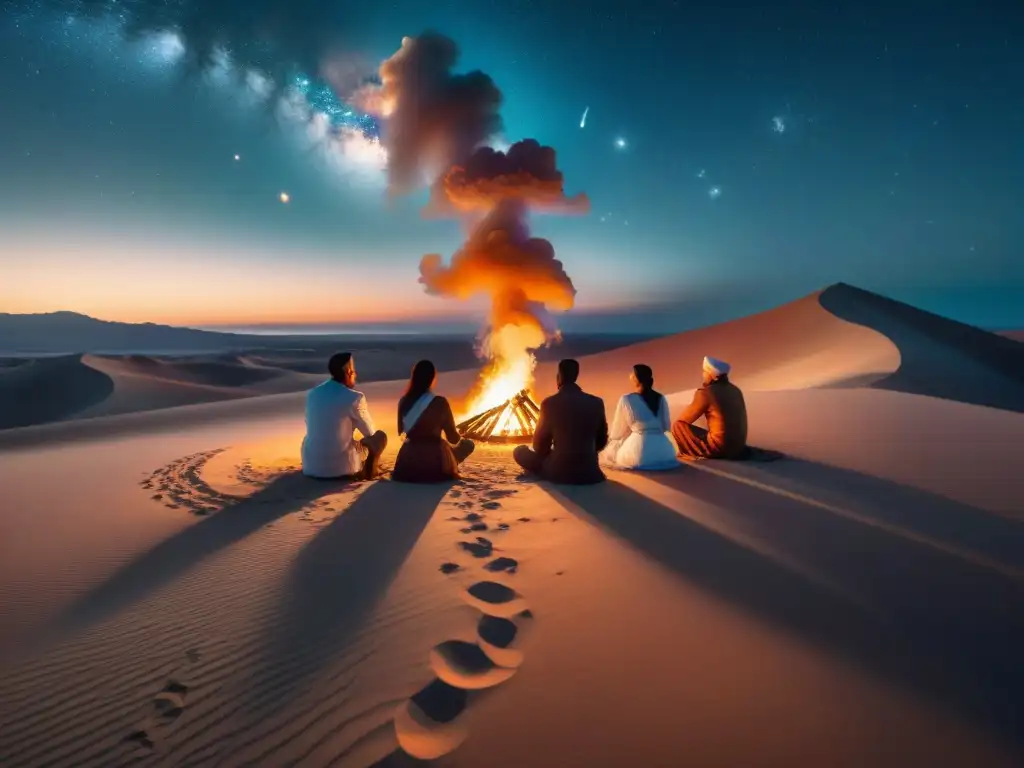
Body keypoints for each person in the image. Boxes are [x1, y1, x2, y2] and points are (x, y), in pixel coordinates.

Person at [513, 359, 608, 484]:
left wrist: (557, 452)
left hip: (558, 473)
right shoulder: (597, 402)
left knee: (520, 451)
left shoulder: (549, 403)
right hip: (591, 473)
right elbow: (601, 441)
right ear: (576, 376)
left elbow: (539, 446)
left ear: (559, 376)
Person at [301, 352, 388, 480]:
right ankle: (371, 469)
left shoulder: (312, 394)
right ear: (348, 372)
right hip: (341, 468)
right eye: (353, 370)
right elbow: (370, 433)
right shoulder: (355, 397)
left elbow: (309, 424)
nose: (355, 374)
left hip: (311, 467)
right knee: (380, 437)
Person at [391, 360, 476, 483]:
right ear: (432, 379)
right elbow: (453, 438)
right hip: (435, 463)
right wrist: (461, 435)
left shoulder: (403, 401)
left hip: (407, 462)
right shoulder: (440, 402)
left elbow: (401, 431)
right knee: (468, 444)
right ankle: (453, 464)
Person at [599, 364, 679, 471]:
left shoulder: (626, 399)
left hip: (639, 452)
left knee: (612, 452)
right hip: (664, 451)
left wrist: (613, 441)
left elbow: (619, 431)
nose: (630, 376)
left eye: (632, 374)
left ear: (637, 378)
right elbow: (666, 426)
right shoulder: (661, 397)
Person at [672, 355, 748, 460]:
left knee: (677, 426)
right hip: (738, 447)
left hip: (721, 448)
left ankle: (690, 453)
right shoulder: (736, 390)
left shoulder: (706, 393)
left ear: (711, 375)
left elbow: (684, 419)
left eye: (705, 372)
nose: (703, 375)